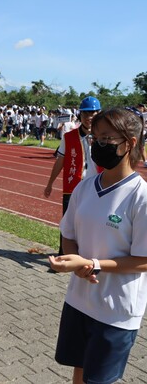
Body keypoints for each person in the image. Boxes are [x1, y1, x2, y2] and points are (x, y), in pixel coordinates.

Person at [49, 108, 147, 384]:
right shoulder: (85, 187)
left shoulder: (141, 198)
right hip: (79, 301)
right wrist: (73, 260)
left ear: (130, 143)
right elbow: (68, 234)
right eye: (95, 138)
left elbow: (144, 259)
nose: (98, 145)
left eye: (106, 139)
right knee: (78, 372)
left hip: (116, 311)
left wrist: (93, 265)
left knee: (99, 380)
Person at [43, 96, 101, 255]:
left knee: (93, 222)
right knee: (68, 222)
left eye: (94, 113)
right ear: (80, 115)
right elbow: (60, 161)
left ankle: (88, 255)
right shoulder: (69, 137)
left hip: (97, 187)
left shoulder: (105, 137)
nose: (90, 117)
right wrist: (50, 183)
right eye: (86, 113)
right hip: (73, 186)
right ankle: (63, 255)